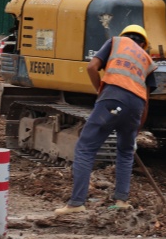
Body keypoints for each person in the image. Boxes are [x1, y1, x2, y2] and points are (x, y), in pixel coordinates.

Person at [54, 25, 156, 215]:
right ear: (143, 44)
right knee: (126, 152)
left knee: (86, 148)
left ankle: (77, 203)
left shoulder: (117, 42)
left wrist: (100, 91)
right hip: (136, 106)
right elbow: (147, 102)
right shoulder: (147, 60)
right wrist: (136, 131)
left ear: (125, 36)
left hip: (112, 98)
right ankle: (121, 201)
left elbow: (92, 67)